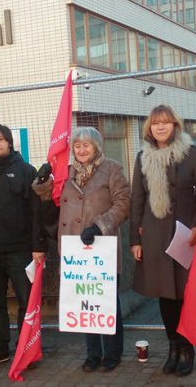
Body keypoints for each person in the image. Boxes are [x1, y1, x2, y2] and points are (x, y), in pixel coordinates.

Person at [33, 127, 130, 372]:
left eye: (86, 145)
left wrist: (100, 225)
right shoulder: (66, 172)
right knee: (84, 302)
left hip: (101, 247)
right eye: (77, 145)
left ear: (96, 146)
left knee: (106, 302)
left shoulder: (112, 168)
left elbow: (123, 203)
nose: (81, 149)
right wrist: (43, 185)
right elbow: (52, 205)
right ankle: (93, 353)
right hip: (74, 250)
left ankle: (113, 352)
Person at [130, 105, 196, 377]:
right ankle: (173, 347)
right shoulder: (142, 157)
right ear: (149, 128)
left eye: (166, 122)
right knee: (165, 295)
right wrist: (134, 239)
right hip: (154, 235)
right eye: (155, 123)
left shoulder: (191, 153)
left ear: (175, 125)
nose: (160, 127)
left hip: (185, 234)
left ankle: (188, 348)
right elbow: (137, 199)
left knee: (185, 295)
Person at [0, 124, 46, 371]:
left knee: (27, 302)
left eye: (0, 139)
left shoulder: (26, 171)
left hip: (21, 250)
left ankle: (27, 347)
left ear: (10, 143)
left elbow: (36, 214)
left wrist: (37, 247)